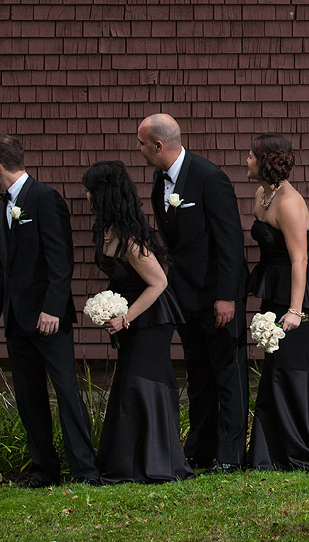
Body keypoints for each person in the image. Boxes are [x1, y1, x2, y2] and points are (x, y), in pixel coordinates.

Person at [0, 135, 100, 487]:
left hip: (49, 320)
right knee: (29, 397)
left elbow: (61, 261)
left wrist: (52, 309)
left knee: (66, 392)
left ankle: (85, 469)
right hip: (16, 319)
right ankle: (43, 470)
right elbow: (0, 263)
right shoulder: (4, 206)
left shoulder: (45, 199)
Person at [137, 113, 247, 472]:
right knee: (199, 376)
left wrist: (227, 296)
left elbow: (230, 242)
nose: (138, 149)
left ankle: (231, 457)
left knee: (227, 375)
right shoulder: (158, 179)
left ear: (158, 145)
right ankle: (200, 450)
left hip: (217, 296)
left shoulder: (209, 178)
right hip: (185, 297)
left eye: (141, 143)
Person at [81, 160, 192, 483]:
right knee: (127, 385)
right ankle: (127, 462)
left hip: (151, 320)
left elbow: (159, 283)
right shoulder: (108, 230)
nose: (86, 196)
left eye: (91, 191)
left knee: (142, 385)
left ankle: (157, 462)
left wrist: (125, 317)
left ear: (104, 195)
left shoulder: (130, 238)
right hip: (131, 320)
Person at [245, 135, 309, 470]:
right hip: (273, 289)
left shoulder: (289, 202)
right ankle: (271, 451)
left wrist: (295, 310)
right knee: (275, 369)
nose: (246, 160)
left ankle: (306, 446)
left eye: (251, 156)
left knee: (290, 368)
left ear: (266, 161)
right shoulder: (262, 194)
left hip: (295, 296)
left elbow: (301, 260)